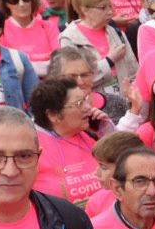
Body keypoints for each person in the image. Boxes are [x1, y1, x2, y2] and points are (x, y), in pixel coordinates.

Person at [29, 77, 101, 206]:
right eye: (79, 103)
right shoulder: (31, 148)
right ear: (53, 115)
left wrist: (107, 132)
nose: (88, 108)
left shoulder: (93, 134)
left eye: (85, 100)